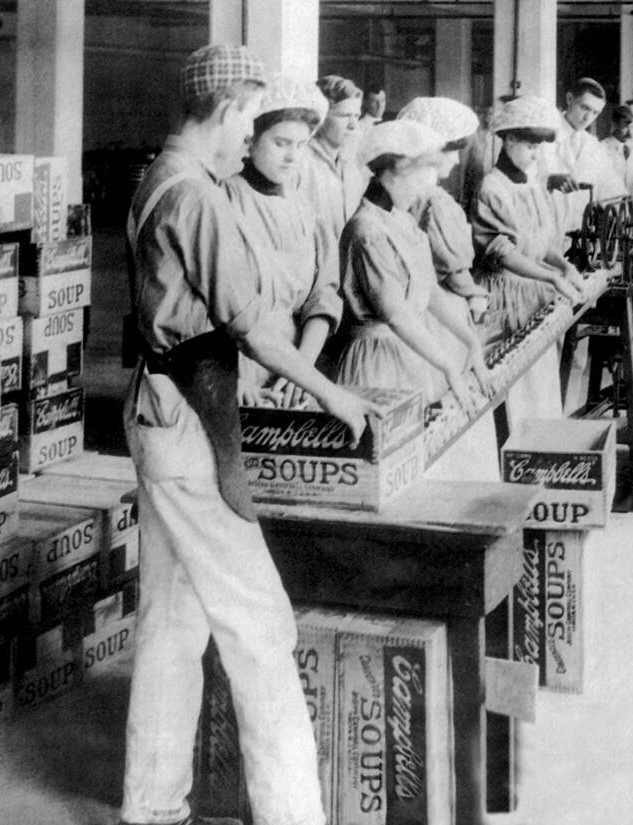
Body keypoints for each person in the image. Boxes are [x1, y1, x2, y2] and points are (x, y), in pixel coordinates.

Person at [120, 44, 378, 825]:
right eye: (247, 124)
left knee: (172, 617)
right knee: (261, 624)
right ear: (230, 111)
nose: (248, 142)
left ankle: (152, 805)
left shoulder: (156, 180)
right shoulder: (193, 193)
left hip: (160, 409)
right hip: (192, 413)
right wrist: (334, 394)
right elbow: (254, 326)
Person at [334, 119, 488, 408]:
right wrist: (448, 366)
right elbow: (396, 315)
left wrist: (471, 341)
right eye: (419, 183)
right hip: (376, 361)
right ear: (395, 170)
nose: (420, 195)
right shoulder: (367, 231)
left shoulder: (402, 222)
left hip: (407, 354)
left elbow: (429, 292)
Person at [472, 95, 601, 420]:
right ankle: (522, 448)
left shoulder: (529, 184)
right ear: (510, 139)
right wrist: (550, 277)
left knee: (542, 381)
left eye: (537, 149)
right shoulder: (492, 188)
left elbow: (538, 240)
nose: (534, 155)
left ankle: (542, 445)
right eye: (530, 147)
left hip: (533, 287)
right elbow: (503, 254)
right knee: (520, 388)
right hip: (507, 295)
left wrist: (563, 264)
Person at [223, 76, 341, 408]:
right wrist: (233, 376)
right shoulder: (223, 201)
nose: (292, 156)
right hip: (235, 365)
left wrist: (301, 370)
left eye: (301, 145)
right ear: (251, 140)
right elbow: (208, 307)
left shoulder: (306, 212)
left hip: (295, 367)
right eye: (281, 143)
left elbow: (324, 297)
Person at [398, 96, 491, 324]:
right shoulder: (438, 204)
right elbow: (456, 277)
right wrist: (478, 293)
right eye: (451, 151)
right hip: (439, 313)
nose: (457, 161)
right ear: (431, 151)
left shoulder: (401, 195)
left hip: (408, 307)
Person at [544, 77, 627, 239]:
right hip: (544, 237)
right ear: (569, 99)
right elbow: (522, 184)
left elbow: (611, 187)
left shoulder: (592, 146)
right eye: (584, 108)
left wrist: (625, 207)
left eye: (595, 112)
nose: (588, 118)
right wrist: (549, 180)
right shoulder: (544, 137)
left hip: (579, 239)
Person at [297, 75, 369, 244]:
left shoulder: (353, 165)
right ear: (320, 118)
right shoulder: (300, 162)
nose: (353, 125)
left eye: (356, 116)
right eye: (344, 116)